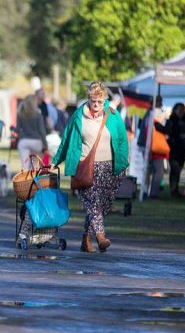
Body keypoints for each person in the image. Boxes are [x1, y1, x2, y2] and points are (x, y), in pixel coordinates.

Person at [52, 82, 128, 253]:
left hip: (110, 167)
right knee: (93, 203)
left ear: (105, 100)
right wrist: (55, 161)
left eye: (100, 102)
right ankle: (101, 237)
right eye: (93, 101)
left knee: (103, 205)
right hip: (86, 167)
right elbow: (66, 139)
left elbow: (122, 140)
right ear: (88, 99)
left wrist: (123, 164)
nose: (96, 105)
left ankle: (86, 238)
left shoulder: (113, 115)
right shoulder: (79, 116)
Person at [16, 94, 48, 168]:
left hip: (23, 142)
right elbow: (42, 131)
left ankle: (25, 178)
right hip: (36, 142)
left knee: (25, 166)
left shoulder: (20, 114)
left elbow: (18, 130)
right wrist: (45, 145)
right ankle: (33, 178)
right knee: (34, 167)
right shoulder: (38, 115)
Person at [165, 103, 185, 197]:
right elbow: (167, 134)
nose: (181, 112)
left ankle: (176, 190)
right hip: (174, 149)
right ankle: (173, 190)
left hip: (182, 150)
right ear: (175, 110)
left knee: (178, 170)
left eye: (182, 110)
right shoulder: (171, 121)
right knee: (174, 170)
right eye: (179, 110)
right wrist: (173, 142)